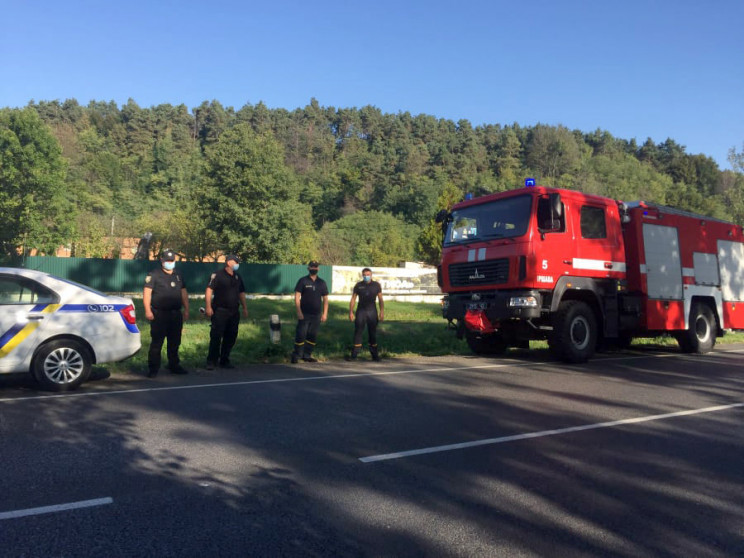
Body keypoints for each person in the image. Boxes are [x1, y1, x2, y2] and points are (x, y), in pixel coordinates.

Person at [143, 249, 189, 377]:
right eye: (167, 260)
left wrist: (186, 309)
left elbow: (183, 293)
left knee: (175, 342)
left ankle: (174, 365)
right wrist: (147, 310)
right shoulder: (154, 274)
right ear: (162, 261)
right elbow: (147, 293)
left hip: (175, 314)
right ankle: (153, 368)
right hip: (159, 314)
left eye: (172, 260)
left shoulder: (178, 275)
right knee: (157, 343)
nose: (170, 263)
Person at [205, 254, 248, 370]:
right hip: (220, 311)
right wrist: (208, 307)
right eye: (236, 262)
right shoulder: (217, 275)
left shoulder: (237, 277)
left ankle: (224, 359)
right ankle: (211, 361)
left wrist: (244, 307)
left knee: (231, 336)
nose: (237, 264)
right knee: (216, 336)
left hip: (234, 311)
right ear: (229, 262)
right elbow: (209, 290)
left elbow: (241, 293)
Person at [291, 261, 329, 363]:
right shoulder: (303, 281)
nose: (314, 268)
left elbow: (325, 299)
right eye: (312, 266)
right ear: (308, 268)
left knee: (312, 335)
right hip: (304, 314)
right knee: (301, 334)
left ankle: (307, 355)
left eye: (315, 267)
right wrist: (299, 312)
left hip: (316, 315)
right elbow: (297, 297)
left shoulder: (322, 282)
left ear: (318, 269)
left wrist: (325, 313)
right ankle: (297, 355)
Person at [347, 268, 384, 361]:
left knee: (372, 333)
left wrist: (382, 312)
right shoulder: (358, 285)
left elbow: (380, 299)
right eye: (364, 275)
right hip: (361, 311)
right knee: (358, 332)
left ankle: (375, 355)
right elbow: (353, 299)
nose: (366, 276)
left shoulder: (376, 285)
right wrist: (351, 312)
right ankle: (354, 355)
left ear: (371, 275)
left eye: (368, 274)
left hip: (372, 311)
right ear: (362, 275)